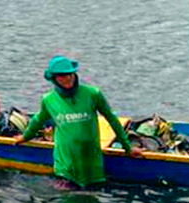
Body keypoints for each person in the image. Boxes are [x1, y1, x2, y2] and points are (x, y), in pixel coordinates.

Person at [13, 55, 141, 188]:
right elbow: (38, 120)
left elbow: (112, 119)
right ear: (54, 78)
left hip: (90, 163)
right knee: (67, 201)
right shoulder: (48, 100)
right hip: (65, 165)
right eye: (62, 76)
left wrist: (128, 148)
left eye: (70, 74)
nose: (67, 78)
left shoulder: (92, 94)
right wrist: (25, 137)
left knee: (92, 200)